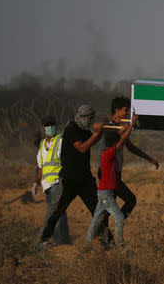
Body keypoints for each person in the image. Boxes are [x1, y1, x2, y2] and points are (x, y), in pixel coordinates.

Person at [36, 105, 109, 247]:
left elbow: (92, 141)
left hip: (85, 179)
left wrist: (102, 129)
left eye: (91, 118)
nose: (89, 121)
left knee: (99, 209)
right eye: (87, 118)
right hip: (69, 180)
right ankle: (42, 239)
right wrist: (96, 133)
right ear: (80, 117)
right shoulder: (71, 129)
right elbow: (82, 148)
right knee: (56, 211)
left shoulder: (84, 130)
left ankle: (105, 239)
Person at [98, 97, 159, 222]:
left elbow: (129, 146)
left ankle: (104, 234)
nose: (127, 113)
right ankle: (112, 228)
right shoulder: (109, 127)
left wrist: (149, 159)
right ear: (117, 110)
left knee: (108, 206)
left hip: (114, 173)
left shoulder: (117, 127)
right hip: (107, 174)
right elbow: (117, 145)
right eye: (125, 110)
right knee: (129, 200)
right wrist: (129, 126)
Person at [86, 114, 137, 247]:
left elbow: (120, 137)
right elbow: (122, 139)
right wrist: (130, 126)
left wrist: (116, 125)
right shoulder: (109, 154)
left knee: (96, 219)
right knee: (119, 218)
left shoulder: (109, 154)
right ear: (114, 143)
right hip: (106, 194)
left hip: (104, 192)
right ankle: (119, 247)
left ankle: (86, 245)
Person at [31, 115, 71, 245]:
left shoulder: (60, 140)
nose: (50, 127)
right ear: (43, 128)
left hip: (57, 183)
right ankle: (57, 240)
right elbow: (41, 167)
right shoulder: (42, 144)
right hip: (46, 185)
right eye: (47, 125)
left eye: (52, 124)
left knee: (57, 212)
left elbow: (66, 161)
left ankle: (63, 242)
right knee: (53, 214)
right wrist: (35, 183)